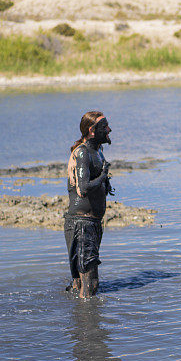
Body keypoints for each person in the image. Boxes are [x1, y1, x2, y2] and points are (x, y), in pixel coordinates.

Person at [64, 111, 114, 298]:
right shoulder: (83, 153)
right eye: (105, 127)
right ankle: (89, 323)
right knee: (90, 282)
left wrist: (105, 181)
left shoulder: (98, 151)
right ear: (92, 130)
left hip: (91, 223)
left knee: (82, 283)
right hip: (81, 224)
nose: (109, 130)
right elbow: (82, 189)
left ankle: (80, 320)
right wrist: (102, 176)